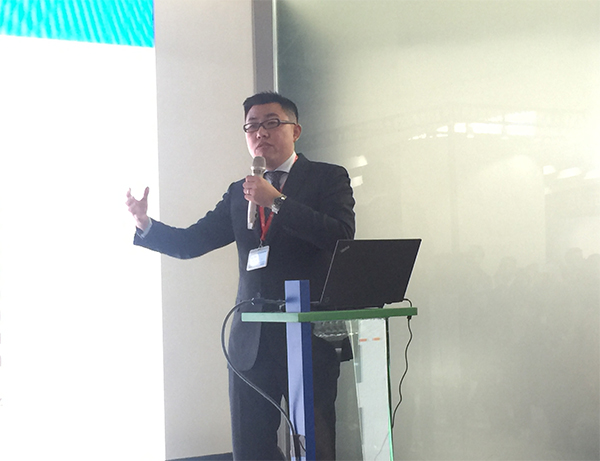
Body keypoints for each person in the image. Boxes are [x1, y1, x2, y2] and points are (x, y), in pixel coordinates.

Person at [126, 92, 355, 460]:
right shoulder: (240, 192)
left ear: (295, 130)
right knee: (250, 450)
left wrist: (276, 201)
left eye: (271, 123)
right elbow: (192, 241)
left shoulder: (327, 177)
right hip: (251, 344)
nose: (260, 132)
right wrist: (145, 224)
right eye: (252, 126)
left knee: (315, 446)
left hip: (308, 338)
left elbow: (340, 236)